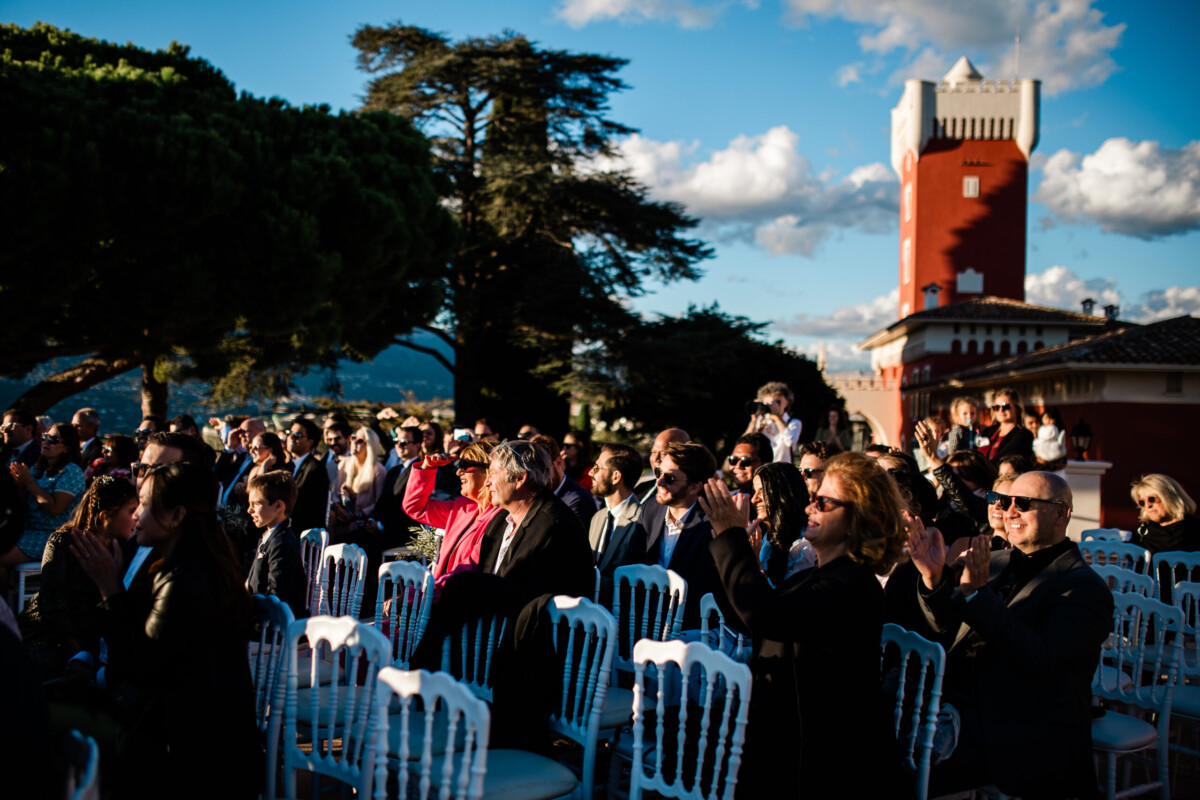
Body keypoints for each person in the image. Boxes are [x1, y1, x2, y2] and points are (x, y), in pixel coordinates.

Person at [701, 452, 906, 798]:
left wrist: (730, 538)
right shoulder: (815, 575)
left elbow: (768, 617)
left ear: (859, 519)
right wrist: (738, 560)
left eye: (823, 502)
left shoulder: (852, 585)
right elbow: (754, 622)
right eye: (813, 498)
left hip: (831, 762)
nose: (809, 508)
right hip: (793, 743)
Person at [909, 471, 1112, 798]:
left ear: (1062, 513)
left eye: (1024, 503)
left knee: (892, 771)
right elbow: (945, 628)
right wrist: (933, 579)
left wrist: (977, 596)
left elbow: (1041, 658)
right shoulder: (997, 561)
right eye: (1003, 501)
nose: (1009, 511)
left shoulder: (1085, 589)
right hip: (960, 710)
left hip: (1023, 732)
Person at [68, 461, 260, 797]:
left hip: (196, 757)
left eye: (143, 503)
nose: (136, 514)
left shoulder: (186, 579)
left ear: (176, 516)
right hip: (197, 735)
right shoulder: (192, 563)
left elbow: (140, 667)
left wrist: (110, 590)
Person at [18, 475, 137, 680]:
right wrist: (76, 651)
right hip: (48, 635)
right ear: (104, 516)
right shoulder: (63, 542)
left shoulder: (128, 549)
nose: (137, 518)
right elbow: (53, 604)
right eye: (131, 512)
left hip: (96, 643)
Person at [477, 440, 593, 604]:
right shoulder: (499, 521)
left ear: (519, 478)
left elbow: (531, 597)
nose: (487, 481)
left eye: (494, 473)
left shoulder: (554, 526)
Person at [403, 441, 504, 599]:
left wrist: (420, 595)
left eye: (465, 465)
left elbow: (467, 570)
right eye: (459, 464)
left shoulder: (500, 517)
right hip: (436, 596)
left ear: (489, 471)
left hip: (456, 603)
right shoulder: (462, 508)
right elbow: (415, 507)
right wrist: (427, 468)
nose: (459, 472)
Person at [637, 441, 718, 630]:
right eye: (658, 473)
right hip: (642, 620)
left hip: (688, 627)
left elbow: (700, 590)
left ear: (694, 487)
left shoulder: (711, 523)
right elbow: (633, 565)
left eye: (670, 478)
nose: (659, 482)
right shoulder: (650, 509)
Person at [4, 422, 85, 565]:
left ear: (67, 447)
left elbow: (55, 509)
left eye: (53, 440)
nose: (46, 442)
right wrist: (18, 486)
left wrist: (29, 483)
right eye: (45, 437)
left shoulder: (72, 472)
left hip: (51, 535)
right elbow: (24, 505)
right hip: (27, 531)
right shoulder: (37, 469)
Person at [587, 443, 645, 605]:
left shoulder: (642, 519)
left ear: (616, 477)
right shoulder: (598, 517)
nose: (591, 472)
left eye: (597, 468)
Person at [245, 470, 307, 619]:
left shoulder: (282, 544)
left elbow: (276, 597)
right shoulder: (269, 537)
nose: (249, 510)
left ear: (278, 506)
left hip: (273, 628)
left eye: (256, 504)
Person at [748, 462, 815, 586]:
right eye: (754, 491)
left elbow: (784, 599)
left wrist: (756, 564)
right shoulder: (763, 538)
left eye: (762, 491)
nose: (754, 499)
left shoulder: (803, 546)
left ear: (783, 494)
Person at [530, 433, 598, 527]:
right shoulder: (537, 493)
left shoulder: (578, 501)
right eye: (533, 469)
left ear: (558, 462)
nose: (538, 475)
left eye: (543, 467)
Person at [1130, 473, 1199, 553]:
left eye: (1152, 499)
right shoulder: (1143, 530)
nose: (1147, 505)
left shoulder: (1195, 530)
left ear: (1170, 498)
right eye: (1142, 502)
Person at [332, 426, 387, 524]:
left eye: (360, 441)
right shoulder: (345, 463)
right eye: (353, 438)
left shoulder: (378, 470)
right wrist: (338, 508)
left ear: (370, 445)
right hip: (341, 519)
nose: (354, 443)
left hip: (363, 524)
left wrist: (357, 515)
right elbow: (335, 493)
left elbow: (379, 503)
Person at [286, 417, 330, 534]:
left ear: (310, 441)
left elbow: (311, 508)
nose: (291, 437)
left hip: (304, 534)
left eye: (297, 435)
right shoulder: (284, 467)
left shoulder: (316, 469)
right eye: (289, 433)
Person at [743, 381, 801, 464]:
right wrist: (754, 420)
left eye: (777, 402)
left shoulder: (793, 422)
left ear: (787, 402)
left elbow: (790, 442)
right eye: (767, 403)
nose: (771, 405)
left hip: (782, 469)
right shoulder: (761, 420)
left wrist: (776, 418)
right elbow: (744, 442)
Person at [979, 388, 1034, 466]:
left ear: (1017, 408)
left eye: (1006, 406)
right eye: (997, 407)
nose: (1001, 410)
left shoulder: (1024, 435)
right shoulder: (988, 432)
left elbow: (1002, 459)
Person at [634, 427, 690, 502]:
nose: (656, 458)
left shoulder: (687, 494)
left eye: (663, 453)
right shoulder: (641, 489)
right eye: (653, 452)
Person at [725, 433, 771, 499]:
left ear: (765, 464)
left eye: (746, 460)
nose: (738, 466)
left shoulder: (775, 502)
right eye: (733, 460)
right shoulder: (726, 500)